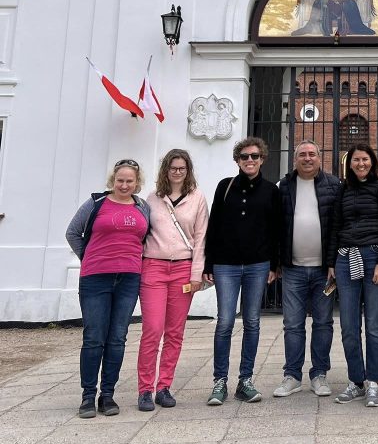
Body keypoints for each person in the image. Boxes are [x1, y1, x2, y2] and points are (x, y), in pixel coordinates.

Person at [66, 159, 151, 419]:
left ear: (137, 183)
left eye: (130, 181)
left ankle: (108, 395)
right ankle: (88, 396)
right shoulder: (96, 204)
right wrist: (89, 258)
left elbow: (145, 238)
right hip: (95, 279)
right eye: (120, 180)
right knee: (94, 337)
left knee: (117, 337)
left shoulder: (142, 207)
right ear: (112, 181)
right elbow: (73, 233)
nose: (124, 185)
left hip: (128, 279)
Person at [203, 136, 280, 406]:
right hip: (226, 265)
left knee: (252, 322)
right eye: (245, 156)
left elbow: (276, 231)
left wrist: (274, 265)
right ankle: (219, 381)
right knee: (224, 321)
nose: (250, 160)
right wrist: (208, 264)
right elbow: (213, 226)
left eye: (255, 156)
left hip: (258, 265)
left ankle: (245, 380)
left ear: (262, 159)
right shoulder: (225, 186)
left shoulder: (271, 190)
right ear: (237, 159)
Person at [137, 149, 209, 411]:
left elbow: (201, 237)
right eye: (173, 168)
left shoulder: (197, 197)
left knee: (175, 332)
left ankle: (164, 386)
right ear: (165, 170)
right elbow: (141, 232)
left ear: (188, 170)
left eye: (182, 168)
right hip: (153, 267)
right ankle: (145, 388)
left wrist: (196, 273)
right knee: (152, 330)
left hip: (182, 269)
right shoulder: (151, 199)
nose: (177, 172)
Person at [327, 142, 378, 407]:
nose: (360, 164)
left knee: (375, 325)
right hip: (346, 259)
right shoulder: (344, 189)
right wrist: (332, 261)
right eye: (356, 160)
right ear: (349, 163)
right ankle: (355, 381)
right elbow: (336, 226)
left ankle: (374, 381)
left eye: (365, 159)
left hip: (374, 257)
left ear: (372, 161)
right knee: (348, 325)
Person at [273, 140, 340, 398]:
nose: (307, 158)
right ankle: (292, 375)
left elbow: (337, 226)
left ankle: (319, 374)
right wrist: (276, 261)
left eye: (312, 154)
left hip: (324, 271)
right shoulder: (284, 186)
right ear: (295, 159)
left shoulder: (333, 185)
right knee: (292, 324)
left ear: (319, 158)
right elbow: (277, 226)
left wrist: (334, 262)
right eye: (302, 154)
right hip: (293, 269)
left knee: (323, 323)